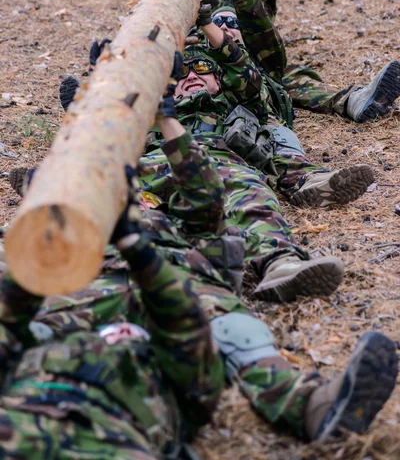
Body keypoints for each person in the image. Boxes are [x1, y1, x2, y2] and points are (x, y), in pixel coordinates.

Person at [5, 113, 397, 445]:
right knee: (31, 335)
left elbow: (205, 200)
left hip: (174, 283)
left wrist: (168, 120)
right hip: (86, 289)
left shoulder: (165, 211)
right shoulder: (69, 225)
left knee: (233, 329)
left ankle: (309, 405)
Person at [0, 170, 225, 460]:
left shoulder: (184, 389)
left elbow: (186, 326)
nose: (122, 331)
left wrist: (138, 247)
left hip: (110, 440)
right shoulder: (175, 384)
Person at [214, 0, 400, 123]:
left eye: (231, 22)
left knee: (286, 76)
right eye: (219, 23)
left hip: (261, 62)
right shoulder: (201, 39)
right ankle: (351, 101)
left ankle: (352, 101)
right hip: (225, 79)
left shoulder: (257, 37)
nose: (225, 27)